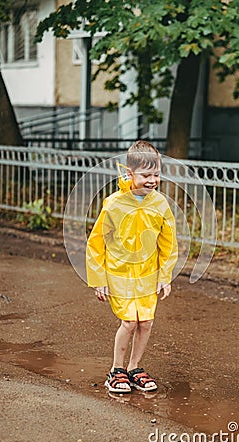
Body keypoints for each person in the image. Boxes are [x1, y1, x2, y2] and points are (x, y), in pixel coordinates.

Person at [86, 140, 178, 393]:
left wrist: (165, 275)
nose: (152, 180)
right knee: (129, 322)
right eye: (146, 175)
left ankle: (135, 368)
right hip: (119, 274)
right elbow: (96, 242)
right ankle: (116, 371)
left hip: (148, 274)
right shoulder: (115, 203)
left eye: (156, 174)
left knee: (146, 322)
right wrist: (99, 279)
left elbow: (168, 243)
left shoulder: (160, 204)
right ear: (130, 173)